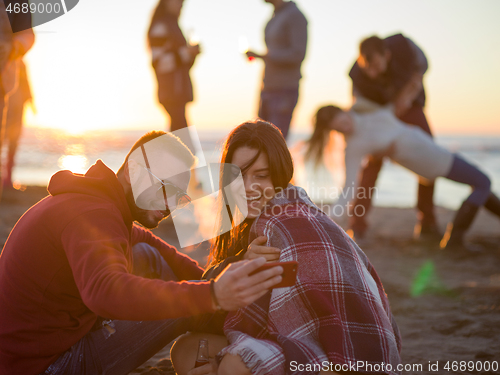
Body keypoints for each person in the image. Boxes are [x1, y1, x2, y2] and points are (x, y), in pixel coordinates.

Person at [0, 130, 284, 375]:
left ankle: (232, 333)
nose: (172, 204)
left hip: (46, 343)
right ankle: (247, 341)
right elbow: (105, 290)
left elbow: (145, 240)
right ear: (134, 170)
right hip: (46, 366)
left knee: (149, 255)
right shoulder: (90, 215)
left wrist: (207, 279)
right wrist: (212, 293)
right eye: (166, 188)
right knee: (184, 304)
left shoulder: (101, 202)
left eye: (179, 195)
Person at [170, 121, 402, 375]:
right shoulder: (250, 228)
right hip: (287, 340)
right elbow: (211, 310)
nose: (248, 188)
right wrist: (239, 262)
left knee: (234, 365)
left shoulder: (292, 221)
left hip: (341, 356)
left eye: (261, 175)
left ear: (280, 174)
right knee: (185, 350)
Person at [305, 104, 500, 252]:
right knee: (483, 182)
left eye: (342, 121)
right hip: (433, 162)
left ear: (343, 111)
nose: (344, 127)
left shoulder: (371, 111)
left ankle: (455, 237)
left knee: (481, 186)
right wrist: (327, 220)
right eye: (338, 129)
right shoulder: (355, 146)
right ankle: (454, 238)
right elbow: (349, 187)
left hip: (437, 152)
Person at [348, 34, 437, 241]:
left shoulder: (403, 47)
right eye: (367, 68)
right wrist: (380, 135)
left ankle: (427, 220)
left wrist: (403, 99)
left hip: (410, 105)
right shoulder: (356, 75)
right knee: (371, 164)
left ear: (387, 55)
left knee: (430, 155)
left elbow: (420, 71)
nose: (372, 73)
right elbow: (360, 109)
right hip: (377, 113)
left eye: (376, 66)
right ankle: (357, 224)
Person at [246, 0, 307, 140]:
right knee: (260, 141)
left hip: (284, 89)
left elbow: (298, 54)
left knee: (274, 143)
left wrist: (263, 56)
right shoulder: (276, 16)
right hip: (268, 87)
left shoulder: (294, 16)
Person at [148, 0, 200, 153]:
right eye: (178, 1)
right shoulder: (161, 26)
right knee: (184, 146)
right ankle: (186, 176)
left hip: (177, 93)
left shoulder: (173, 26)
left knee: (179, 142)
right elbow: (159, 63)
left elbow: (182, 66)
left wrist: (191, 56)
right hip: (171, 93)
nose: (181, 5)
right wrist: (186, 53)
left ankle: (174, 175)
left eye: (182, 2)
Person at [0, 0, 34, 200]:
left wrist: (13, 48)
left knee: (11, 141)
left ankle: (7, 179)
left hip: (6, 87)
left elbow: (27, 34)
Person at [2, 60, 31, 189]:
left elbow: (26, 85)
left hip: (17, 110)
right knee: (8, 145)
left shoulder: (21, 64)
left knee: (12, 146)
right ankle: (7, 179)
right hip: (9, 109)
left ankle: (8, 178)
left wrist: (30, 100)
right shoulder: (7, 61)